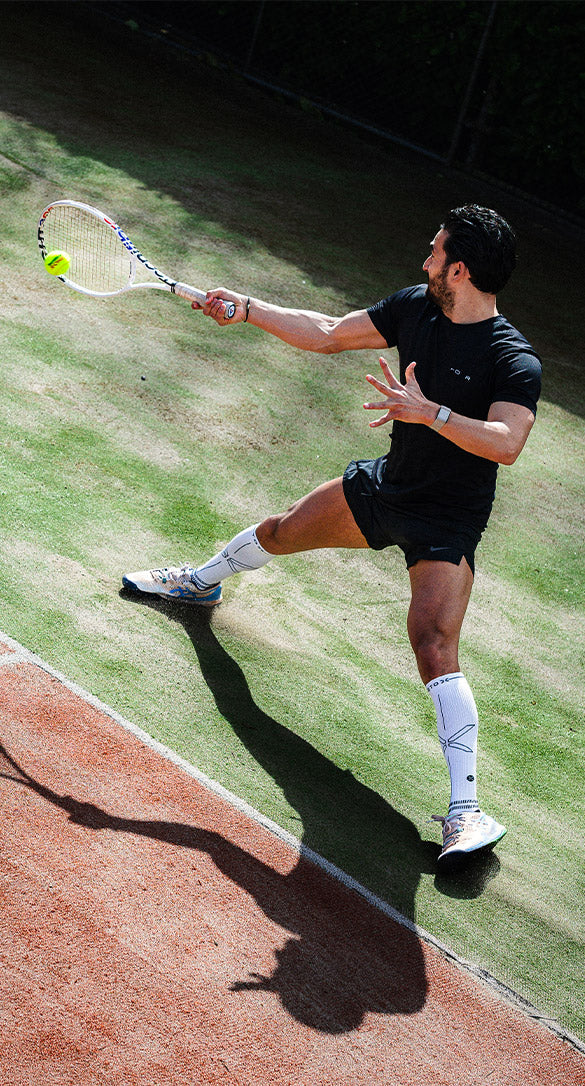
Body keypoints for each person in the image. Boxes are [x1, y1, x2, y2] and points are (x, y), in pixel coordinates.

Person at [123, 205, 541, 870]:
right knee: (282, 530)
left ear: (458, 269)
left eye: (434, 253)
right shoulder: (414, 308)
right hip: (387, 489)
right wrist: (249, 307)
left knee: (432, 640)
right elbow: (326, 333)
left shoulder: (510, 359)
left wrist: (428, 413)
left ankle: (466, 811)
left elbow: (507, 443)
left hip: (445, 518)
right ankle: (198, 584)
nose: (425, 261)